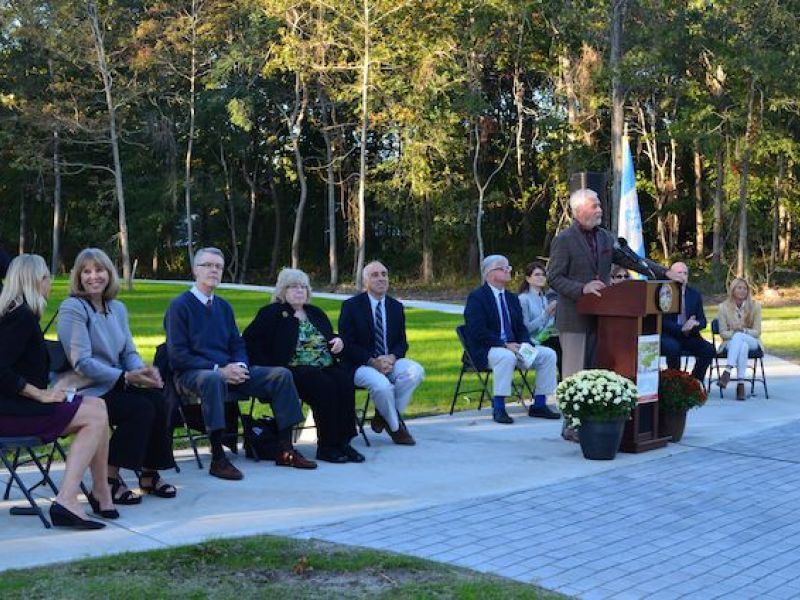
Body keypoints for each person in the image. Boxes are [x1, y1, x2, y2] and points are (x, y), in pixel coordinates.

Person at [164, 247, 308, 480]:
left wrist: (240, 365)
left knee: (280, 375)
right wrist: (219, 370)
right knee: (212, 380)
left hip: (231, 371)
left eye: (218, 267)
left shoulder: (224, 307)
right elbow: (178, 355)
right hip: (194, 374)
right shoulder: (180, 306)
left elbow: (238, 343)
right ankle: (218, 457)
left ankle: (285, 448)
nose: (214, 270)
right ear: (195, 270)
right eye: (208, 265)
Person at [0, 254, 113, 530]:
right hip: (11, 414)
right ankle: (67, 501)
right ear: (38, 281)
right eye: (48, 278)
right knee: (95, 416)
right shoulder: (21, 318)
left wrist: (55, 387)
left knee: (97, 406)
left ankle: (101, 492)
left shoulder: (18, 313)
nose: (51, 284)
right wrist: (39, 394)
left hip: (16, 407)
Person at [56, 248, 177, 505]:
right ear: (78, 277)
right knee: (139, 408)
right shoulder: (73, 308)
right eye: (86, 271)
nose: (93, 277)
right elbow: (82, 362)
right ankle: (108, 480)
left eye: (99, 270)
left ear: (109, 274)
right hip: (86, 389)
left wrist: (144, 371)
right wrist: (126, 377)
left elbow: (128, 351)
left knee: (158, 397)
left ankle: (149, 474)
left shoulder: (117, 308)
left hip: (115, 381)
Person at [547, 188, 679, 380]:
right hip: (574, 320)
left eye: (599, 205)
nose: (600, 209)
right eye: (595, 206)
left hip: (604, 318)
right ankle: (572, 411)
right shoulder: (564, 240)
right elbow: (554, 277)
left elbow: (632, 260)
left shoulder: (605, 237)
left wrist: (665, 272)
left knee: (597, 376)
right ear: (579, 209)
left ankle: (597, 410)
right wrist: (583, 288)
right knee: (575, 378)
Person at [243, 268, 364, 463]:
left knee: (344, 380)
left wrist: (338, 342)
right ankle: (327, 446)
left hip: (324, 365)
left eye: (303, 287)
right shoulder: (272, 313)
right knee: (324, 385)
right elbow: (250, 341)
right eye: (293, 287)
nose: (300, 291)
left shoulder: (315, 312)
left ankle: (344, 442)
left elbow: (329, 336)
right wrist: (268, 368)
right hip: (293, 369)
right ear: (282, 290)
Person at [463, 254, 560, 424]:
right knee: (506, 356)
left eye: (509, 267)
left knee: (547, 354)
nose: (509, 270)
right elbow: (476, 331)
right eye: (504, 267)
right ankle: (499, 408)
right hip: (489, 349)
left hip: (514, 347)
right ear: (490, 273)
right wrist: (504, 344)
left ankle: (539, 404)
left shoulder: (511, 298)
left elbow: (520, 327)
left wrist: (525, 344)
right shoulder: (477, 298)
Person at [338, 261, 424, 445]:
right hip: (360, 364)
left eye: (384, 274)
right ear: (365, 281)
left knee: (415, 371)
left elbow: (402, 342)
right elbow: (347, 344)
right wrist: (372, 361)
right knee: (382, 386)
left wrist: (391, 358)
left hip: (388, 360)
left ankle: (382, 415)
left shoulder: (396, 307)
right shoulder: (351, 306)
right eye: (375, 275)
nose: (381, 278)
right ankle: (395, 427)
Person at [660, 261, 715, 384]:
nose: (682, 276)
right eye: (679, 273)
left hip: (690, 335)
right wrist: (681, 328)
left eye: (685, 273)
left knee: (709, 350)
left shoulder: (694, 294)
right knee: (673, 348)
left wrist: (695, 324)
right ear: (671, 275)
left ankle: (694, 382)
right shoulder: (663, 292)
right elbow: (662, 322)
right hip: (669, 335)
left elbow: (703, 321)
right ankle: (674, 383)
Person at [716, 277, 762, 401]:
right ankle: (741, 385)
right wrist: (735, 331)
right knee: (742, 345)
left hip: (752, 340)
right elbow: (723, 333)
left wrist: (744, 331)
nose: (742, 291)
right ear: (733, 290)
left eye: (745, 288)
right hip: (730, 342)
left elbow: (757, 332)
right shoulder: (723, 307)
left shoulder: (755, 306)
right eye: (739, 288)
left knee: (741, 338)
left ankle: (727, 370)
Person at [518, 261, 562, 376]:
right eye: (537, 275)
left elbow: (546, 324)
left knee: (563, 342)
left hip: (544, 337)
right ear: (528, 278)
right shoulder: (523, 299)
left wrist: (551, 318)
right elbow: (526, 328)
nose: (541, 277)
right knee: (557, 347)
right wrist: (546, 314)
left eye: (543, 274)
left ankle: (563, 379)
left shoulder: (543, 297)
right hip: (530, 341)